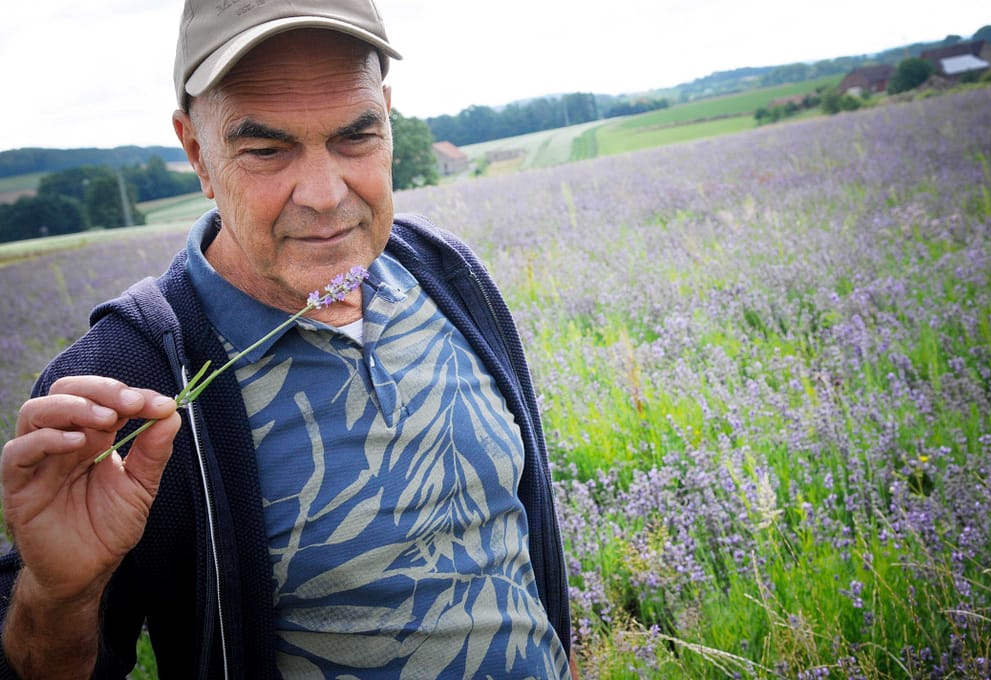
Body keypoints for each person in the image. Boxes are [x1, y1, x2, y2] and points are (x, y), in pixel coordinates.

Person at [0, 0, 575, 677]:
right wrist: (59, 597)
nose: (326, 194)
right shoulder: (127, 382)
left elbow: (522, 556)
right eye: (267, 150)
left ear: (388, 119)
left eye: (356, 136)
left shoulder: (449, 276)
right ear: (197, 153)